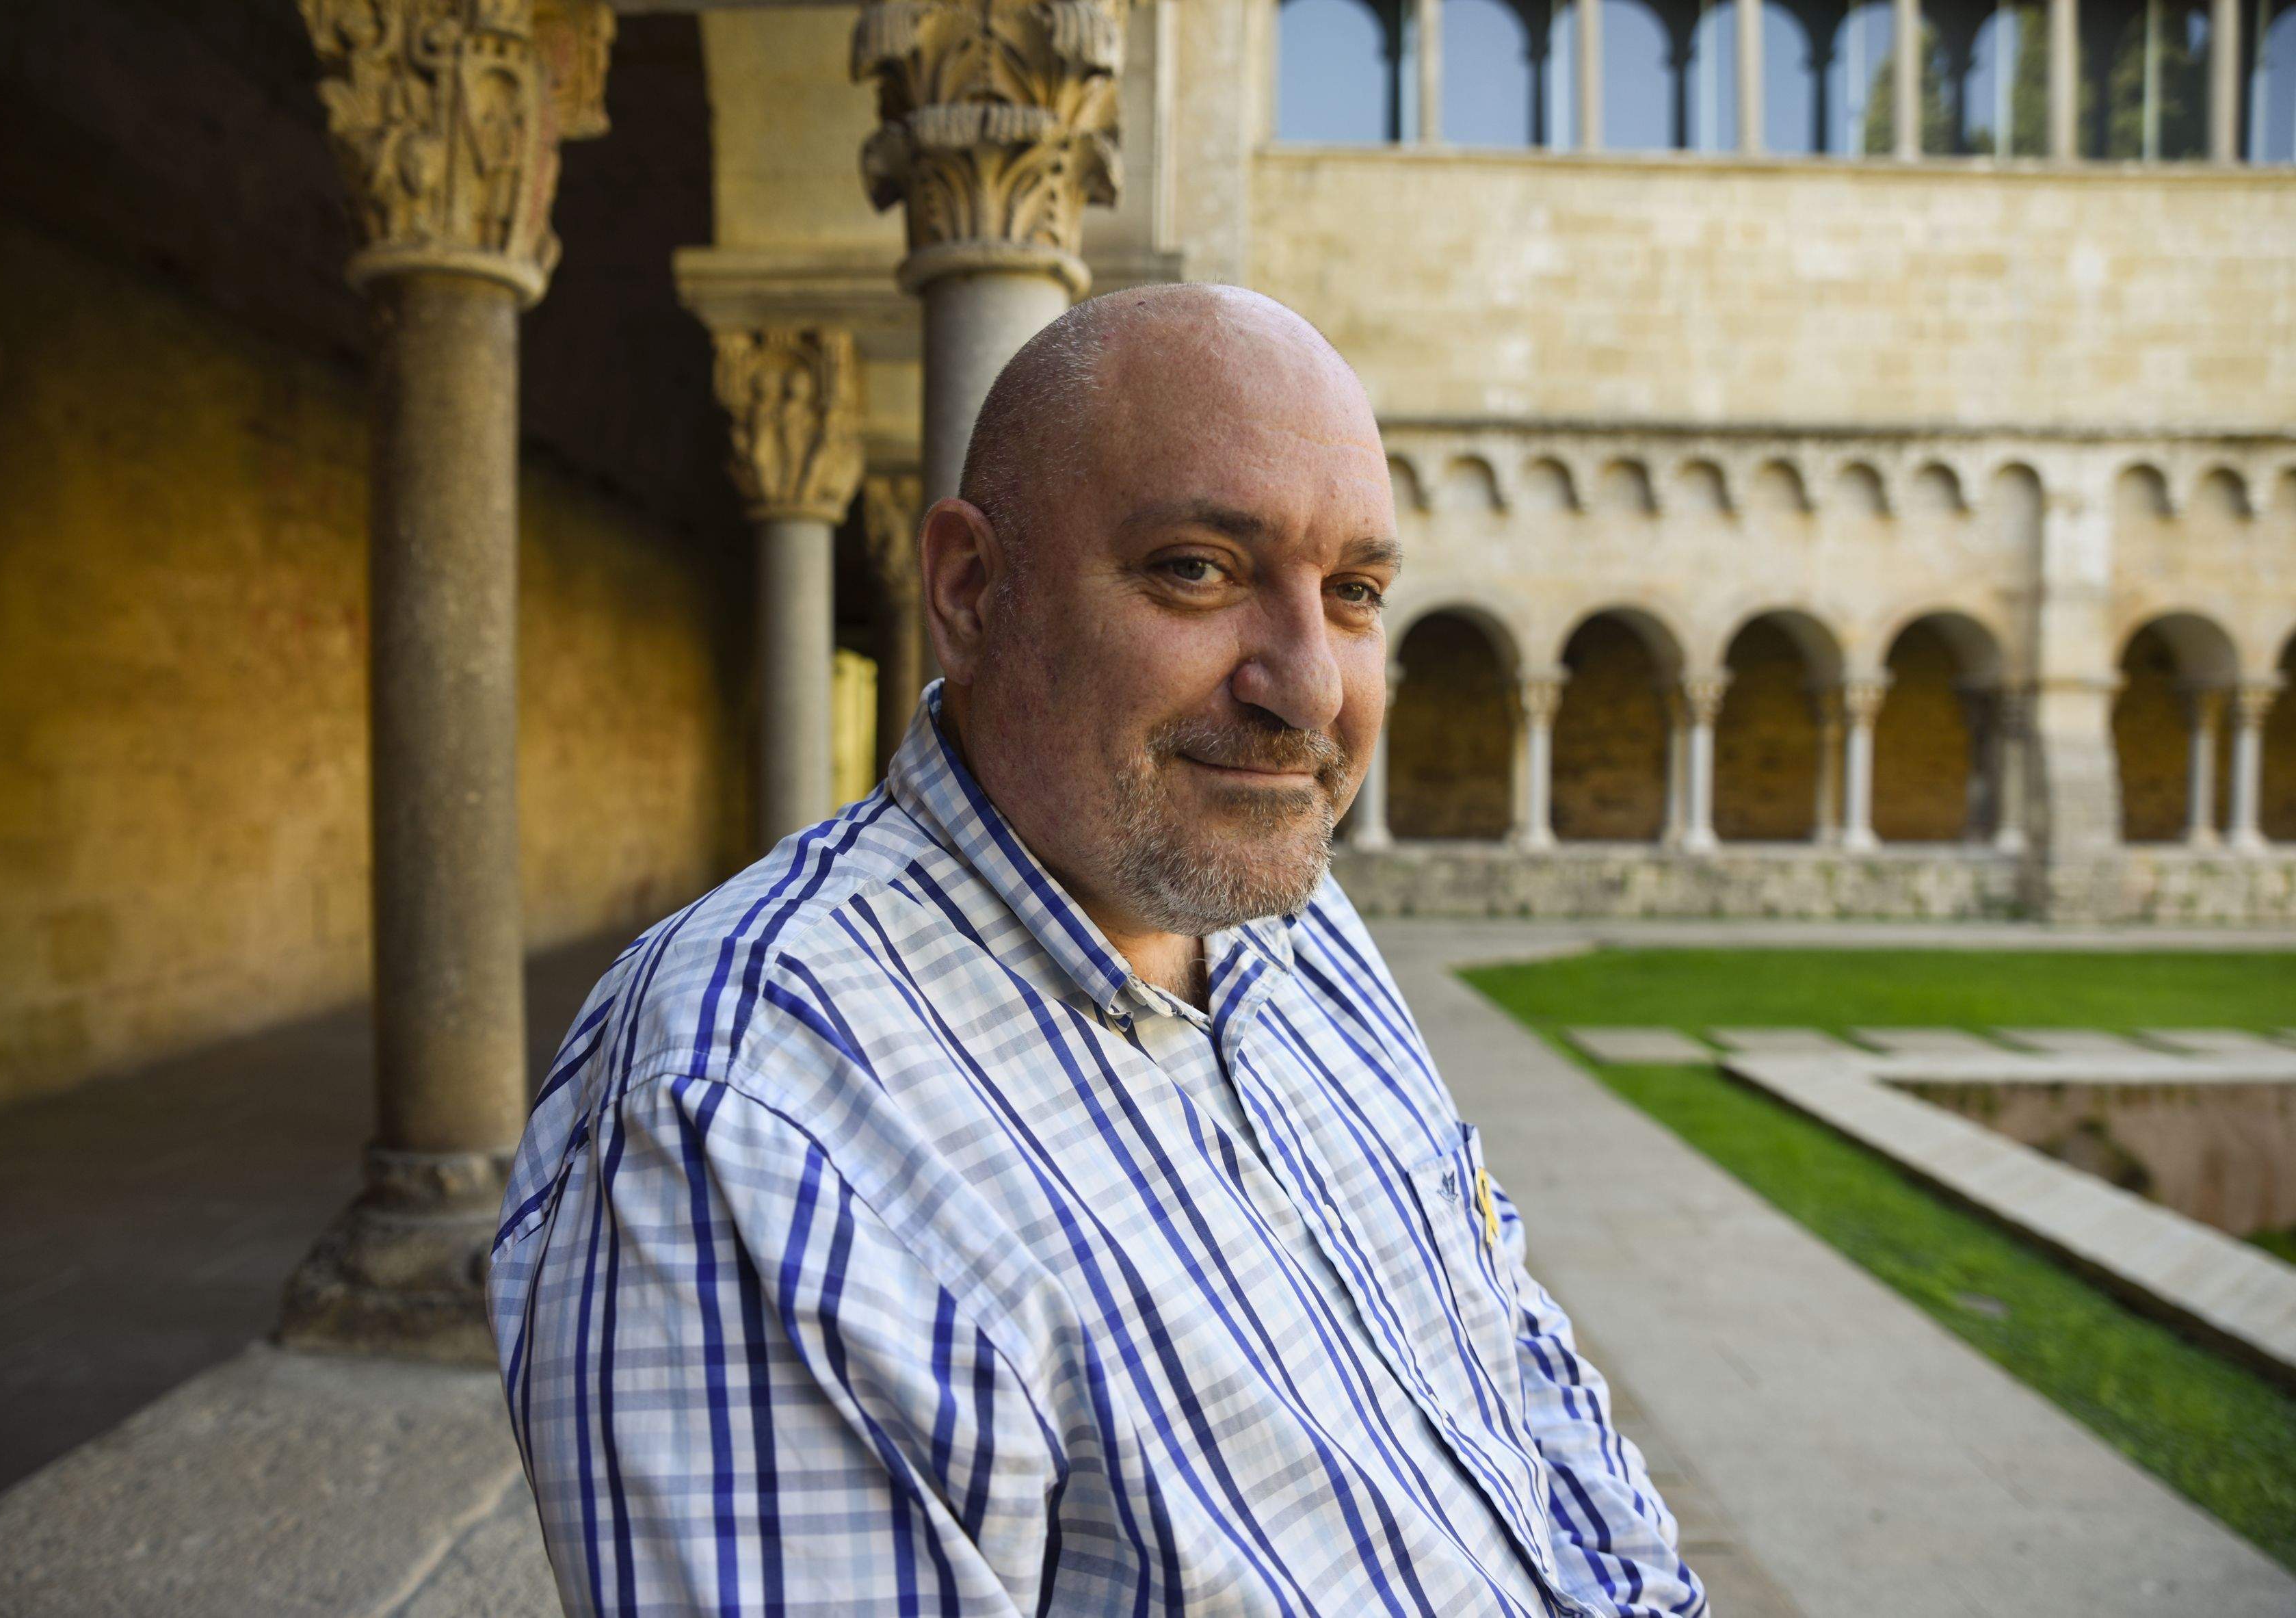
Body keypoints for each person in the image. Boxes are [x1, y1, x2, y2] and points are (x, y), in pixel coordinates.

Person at [490, 285, 1704, 1617]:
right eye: (1198, 568)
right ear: (967, 586)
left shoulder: (1294, 919)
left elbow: (1507, 1363)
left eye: (1353, 592)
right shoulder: (744, 1112)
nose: (1307, 689)